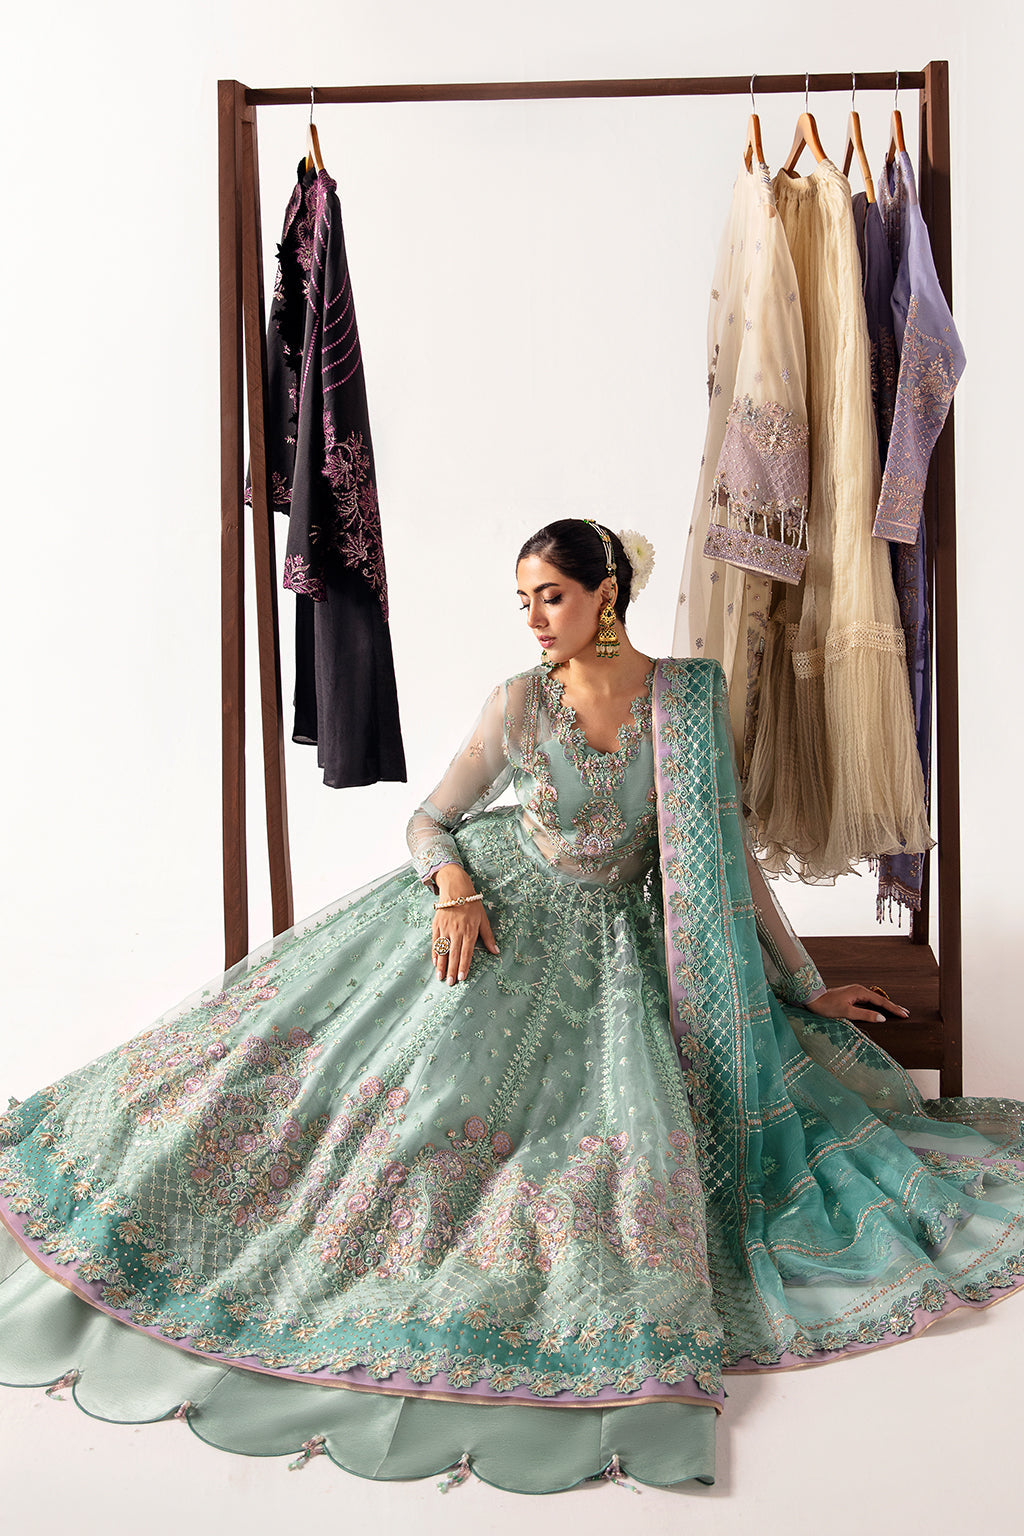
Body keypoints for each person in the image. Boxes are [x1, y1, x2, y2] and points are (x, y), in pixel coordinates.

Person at [1, 518, 1022, 1495]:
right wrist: (452, 885)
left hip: (626, 945)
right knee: (377, 1109)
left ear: (605, 596)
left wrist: (802, 985)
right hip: (498, 915)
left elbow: (730, 858)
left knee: (616, 1154)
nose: (534, 619)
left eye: (552, 597)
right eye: (523, 601)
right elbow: (430, 819)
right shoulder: (518, 703)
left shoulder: (685, 699)